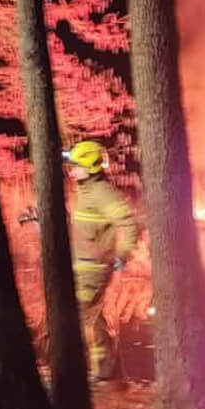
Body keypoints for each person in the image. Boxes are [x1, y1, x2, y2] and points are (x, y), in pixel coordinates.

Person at [64, 140, 138, 382]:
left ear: (89, 168)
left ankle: (83, 374)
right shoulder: (85, 193)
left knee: (76, 317)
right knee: (94, 320)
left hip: (94, 269)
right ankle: (107, 372)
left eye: (75, 165)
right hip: (82, 266)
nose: (71, 170)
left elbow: (127, 223)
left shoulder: (102, 194)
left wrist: (122, 254)